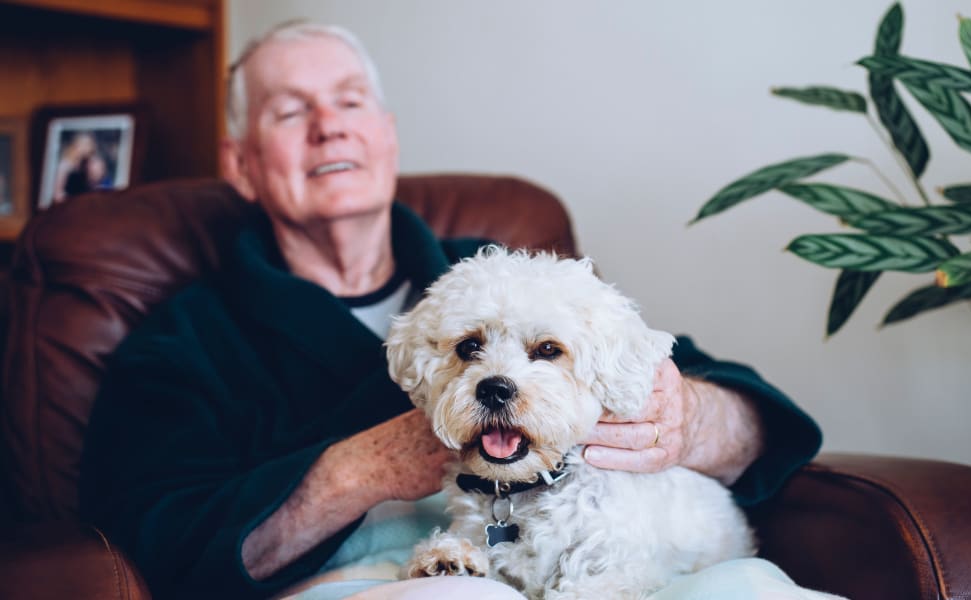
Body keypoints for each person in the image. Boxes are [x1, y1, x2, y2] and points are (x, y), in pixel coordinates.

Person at [79, 21, 823, 600]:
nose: (330, 125)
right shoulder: (182, 343)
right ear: (240, 163)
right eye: (290, 111)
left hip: (593, 555)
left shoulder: (507, 272)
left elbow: (724, 399)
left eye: (349, 101)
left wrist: (691, 417)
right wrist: (358, 470)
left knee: (752, 586)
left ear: (386, 135)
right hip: (384, 576)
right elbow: (150, 541)